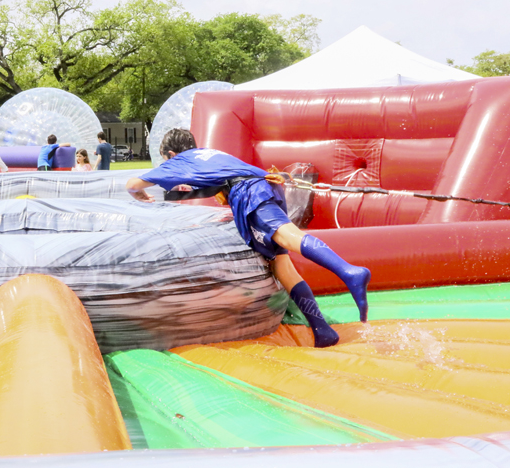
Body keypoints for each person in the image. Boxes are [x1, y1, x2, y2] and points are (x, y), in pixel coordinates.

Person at [125, 128, 370, 348]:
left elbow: (133, 184)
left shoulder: (179, 160)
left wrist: (138, 194)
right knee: (280, 263)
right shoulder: (210, 154)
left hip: (250, 193)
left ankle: (348, 271)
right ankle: (322, 330)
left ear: (171, 154)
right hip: (267, 185)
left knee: (288, 236)